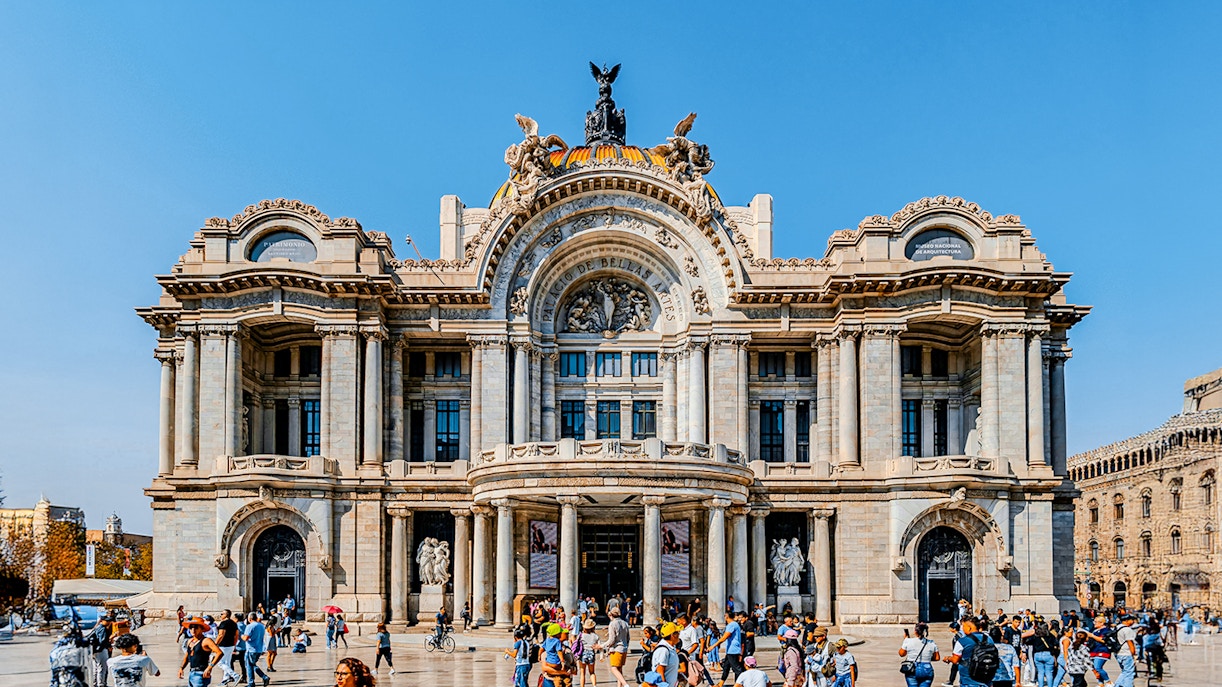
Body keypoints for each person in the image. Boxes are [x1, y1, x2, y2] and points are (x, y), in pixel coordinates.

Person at [944, 616, 990, 687]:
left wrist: (948, 658)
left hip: (968, 678)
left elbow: (955, 660)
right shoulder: (989, 639)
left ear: (969, 628)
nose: (962, 628)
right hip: (985, 676)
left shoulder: (962, 641)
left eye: (963, 626)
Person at [179, 617, 223, 687]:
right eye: (191, 628)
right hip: (191, 673)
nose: (193, 630)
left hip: (201, 673)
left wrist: (210, 667)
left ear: (202, 629)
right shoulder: (190, 641)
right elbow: (187, 656)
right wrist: (181, 668)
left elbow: (219, 653)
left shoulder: (206, 641)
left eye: (196, 627)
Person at [898, 622, 939, 687]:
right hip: (927, 668)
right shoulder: (931, 643)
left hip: (912, 669)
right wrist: (927, 657)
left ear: (915, 631)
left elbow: (901, 654)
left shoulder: (908, 641)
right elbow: (937, 658)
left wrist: (905, 640)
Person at [241, 612, 271, 687]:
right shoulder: (261, 626)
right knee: (251, 665)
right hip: (259, 648)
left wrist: (241, 636)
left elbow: (245, 638)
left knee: (249, 665)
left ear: (249, 618)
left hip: (251, 649)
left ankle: (252, 682)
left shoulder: (250, 626)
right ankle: (262, 678)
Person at [1022, 621, 1056, 687]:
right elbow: (1055, 643)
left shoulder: (1035, 635)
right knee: (1049, 673)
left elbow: (1028, 642)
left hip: (1037, 654)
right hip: (1048, 654)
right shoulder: (1050, 635)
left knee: (1040, 672)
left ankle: (1040, 685)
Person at [605, 607, 631, 687]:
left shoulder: (612, 624)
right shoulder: (625, 623)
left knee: (613, 668)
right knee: (619, 669)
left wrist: (602, 646)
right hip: (624, 648)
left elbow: (612, 640)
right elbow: (628, 637)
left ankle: (625, 684)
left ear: (611, 614)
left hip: (616, 649)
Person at [652, 622, 682, 687]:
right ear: (672, 635)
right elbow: (660, 672)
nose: (679, 635)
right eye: (677, 632)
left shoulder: (671, 648)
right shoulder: (663, 650)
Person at [90, 614, 114, 687]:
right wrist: (108, 645)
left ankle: (95, 683)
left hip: (94, 650)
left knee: (96, 668)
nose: (109, 622)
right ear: (102, 621)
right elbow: (102, 641)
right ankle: (101, 684)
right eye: (107, 621)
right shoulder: (103, 628)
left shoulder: (97, 628)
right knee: (102, 668)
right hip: (101, 650)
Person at [1113, 615, 1138, 687]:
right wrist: (1134, 654)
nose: (1133, 622)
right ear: (1127, 620)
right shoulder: (1127, 630)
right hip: (1126, 653)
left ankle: (1117, 685)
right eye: (1132, 620)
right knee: (1129, 673)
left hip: (1118, 653)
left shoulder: (1117, 627)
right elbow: (1130, 643)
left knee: (1125, 672)